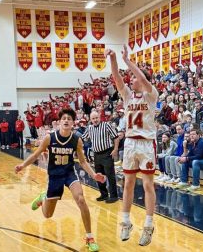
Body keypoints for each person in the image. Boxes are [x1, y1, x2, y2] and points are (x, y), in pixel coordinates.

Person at [15, 108, 105, 252]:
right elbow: (36, 154)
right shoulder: (50, 138)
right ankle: (43, 198)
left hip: (69, 174)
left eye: (69, 119)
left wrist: (94, 175)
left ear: (73, 123)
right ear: (59, 122)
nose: (66, 120)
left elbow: (82, 161)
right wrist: (22, 165)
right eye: (64, 118)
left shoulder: (77, 140)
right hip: (55, 175)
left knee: (81, 199)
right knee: (47, 215)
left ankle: (89, 237)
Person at [106, 45, 158, 246]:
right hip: (130, 143)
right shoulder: (128, 96)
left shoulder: (151, 95)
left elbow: (143, 80)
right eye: (131, 77)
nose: (131, 79)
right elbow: (117, 78)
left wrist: (128, 61)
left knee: (147, 184)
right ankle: (126, 222)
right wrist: (113, 59)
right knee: (127, 184)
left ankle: (148, 225)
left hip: (146, 144)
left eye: (134, 77)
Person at [82, 111, 119, 203]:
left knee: (110, 175)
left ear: (100, 117)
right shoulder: (89, 128)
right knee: (99, 175)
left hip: (107, 153)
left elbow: (116, 137)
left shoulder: (106, 125)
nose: (95, 120)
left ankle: (114, 196)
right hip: (96, 154)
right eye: (93, 119)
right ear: (90, 120)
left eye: (96, 118)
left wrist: (115, 149)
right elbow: (83, 138)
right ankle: (104, 194)